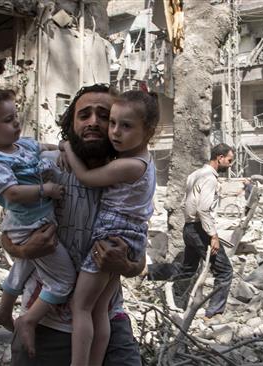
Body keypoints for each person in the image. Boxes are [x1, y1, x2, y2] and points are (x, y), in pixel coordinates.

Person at [0, 84, 144, 365]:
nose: (93, 122)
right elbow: (8, 234)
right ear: (71, 124)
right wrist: (26, 250)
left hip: (107, 322)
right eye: (84, 115)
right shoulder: (43, 167)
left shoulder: (130, 177)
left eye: (104, 116)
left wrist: (126, 266)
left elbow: (140, 257)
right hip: (46, 323)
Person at [0, 88, 72, 356]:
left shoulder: (23, 146)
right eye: (8, 121)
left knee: (23, 268)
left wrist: (64, 146)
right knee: (63, 279)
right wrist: (45, 190)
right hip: (29, 225)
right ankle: (29, 319)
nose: (16, 124)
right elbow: (11, 192)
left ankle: (4, 310)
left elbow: (46, 147)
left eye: (16, 117)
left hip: (31, 222)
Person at [62, 90, 157, 366]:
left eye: (123, 125)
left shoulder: (126, 165)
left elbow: (88, 177)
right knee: (98, 308)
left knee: (81, 306)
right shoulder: (141, 162)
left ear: (148, 132)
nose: (114, 132)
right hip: (127, 234)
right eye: (113, 123)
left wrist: (67, 148)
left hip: (111, 237)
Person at [148, 143, 236, 319]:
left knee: (186, 270)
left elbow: (187, 202)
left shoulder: (195, 175)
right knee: (224, 271)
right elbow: (203, 209)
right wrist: (213, 235)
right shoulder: (209, 179)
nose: (230, 164)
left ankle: (147, 272)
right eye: (229, 160)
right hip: (200, 229)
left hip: (189, 228)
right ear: (220, 158)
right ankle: (214, 313)